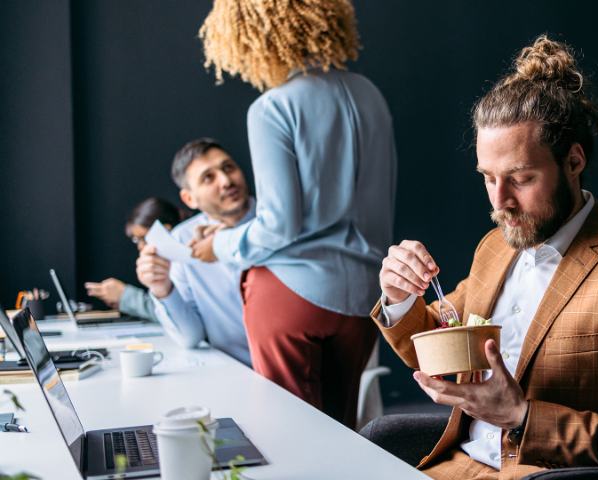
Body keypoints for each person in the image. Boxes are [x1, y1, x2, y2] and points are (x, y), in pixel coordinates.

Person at [374, 36, 598, 479]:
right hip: (453, 467)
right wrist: (399, 297)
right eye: (488, 178)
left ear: (573, 161)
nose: (501, 202)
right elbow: (443, 342)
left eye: (520, 178)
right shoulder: (495, 246)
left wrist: (523, 415)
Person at [192, 0, 396, 430]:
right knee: (343, 433)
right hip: (363, 299)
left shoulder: (272, 108)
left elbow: (279, 224)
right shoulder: (370, 94)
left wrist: (220, 245)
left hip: (291, 294)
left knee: (292, 434)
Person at [136, 138, 253, 367]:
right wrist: (163, 289)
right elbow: (191, 337)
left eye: (228, 167)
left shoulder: (280, 221)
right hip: (235, 374)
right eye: (208, 177)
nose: (226, 180)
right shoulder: (182, 239)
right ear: (189, 198)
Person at [84, 197, 181, 321]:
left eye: (144, 238)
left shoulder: (186, 263)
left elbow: (177, 315)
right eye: (136, 240)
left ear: (167, 230)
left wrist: (124, 295)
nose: (141, 247)